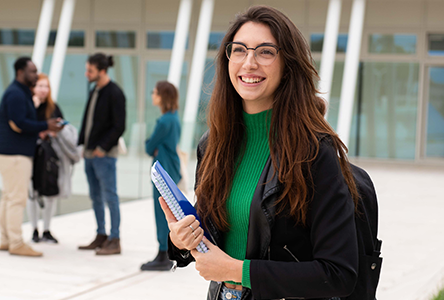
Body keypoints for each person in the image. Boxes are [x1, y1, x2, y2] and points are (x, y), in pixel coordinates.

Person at [162, 6, 360, 300]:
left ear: (288, 64)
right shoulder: (212, 145)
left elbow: (339, 274)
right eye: (239, 50)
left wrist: (237, 271)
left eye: (265, 52)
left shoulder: (315, 152)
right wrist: (181, 239)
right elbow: (215, 238)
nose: (249, 62)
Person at [0, 57, 63, 257]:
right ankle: (15, 242)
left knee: (8, 196)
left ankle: (5, 240)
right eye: (32, 71)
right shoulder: (16, 94)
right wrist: (45, 125)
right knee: (16, 199)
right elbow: (19, 123)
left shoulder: (20, 92)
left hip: (9, 153)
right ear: (20, 72)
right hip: (14, 154)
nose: (35, 74)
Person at [77, 53, 126, 255]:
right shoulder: (94, 90)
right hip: (89, 154)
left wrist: (102, 148)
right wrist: (81, 143)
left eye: (90, 70)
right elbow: (87, 120)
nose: (86, 73)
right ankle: (101, 235)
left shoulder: (115, 93)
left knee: (110, 196)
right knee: (95, 196)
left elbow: (119, 126)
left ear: (102, 71)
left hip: (103, 155)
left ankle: (115, 239)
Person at [27, 73, 81, 244]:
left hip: (50, 156)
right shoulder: (28, 106)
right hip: (32, 155)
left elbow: (61, 128)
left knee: (51, 191)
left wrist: (52, 132)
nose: (43, 89)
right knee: (32, 193)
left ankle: (47, 229)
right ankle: (34, 229)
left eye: (46, 86)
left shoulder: (53, 107)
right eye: (40, 86)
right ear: (34, 88)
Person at [141, 81, 181, 271]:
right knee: (169, 212)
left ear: (162, 96)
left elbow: (149, 146)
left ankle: (163, 254)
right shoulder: (174, 118)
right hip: (171, 168)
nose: (152, 95)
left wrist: (151, 145)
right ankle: (165, 252)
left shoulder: (164, 121)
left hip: (162, 171)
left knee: (162, 213)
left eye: (154, 92)